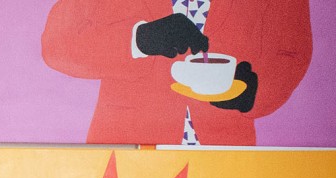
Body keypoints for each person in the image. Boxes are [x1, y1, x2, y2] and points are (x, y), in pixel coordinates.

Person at [41, 0, 311, 146]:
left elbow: (291, 50)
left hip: (226, 148)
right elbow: (56, 44)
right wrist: (140, 39)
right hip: (126, 143)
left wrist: (252, 92)